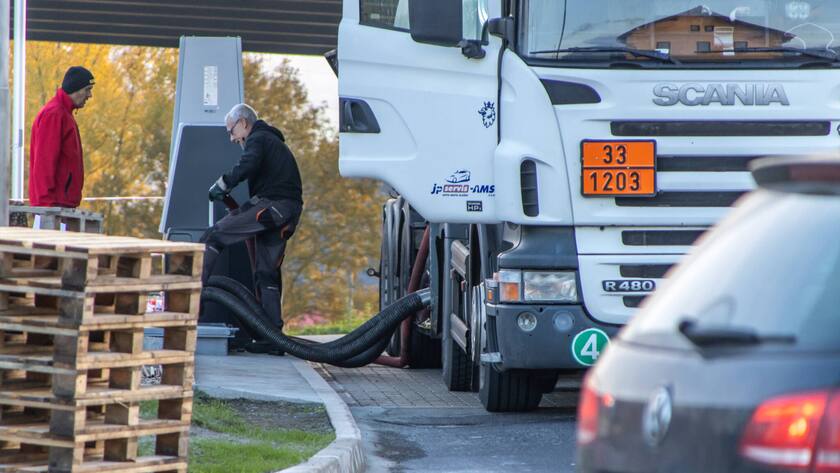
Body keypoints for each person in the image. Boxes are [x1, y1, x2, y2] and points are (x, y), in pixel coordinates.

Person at [201, 103, 303, 332]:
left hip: (274, 207)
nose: (231, 138)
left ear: (244, 123)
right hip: (287, 212)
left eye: (231, 131)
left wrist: (222, 184)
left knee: (213, 236)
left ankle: (192, 302)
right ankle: (272, 335)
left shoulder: (258, 139)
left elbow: (247, 164)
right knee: (266, 273)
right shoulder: (273, 142)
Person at [29, 66, 94, 208]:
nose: (90, 95)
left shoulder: (63, 114)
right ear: (75, 89)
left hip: (60, 205)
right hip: (54, 207)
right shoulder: (55, 114)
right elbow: (44, 162)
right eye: (87, 89)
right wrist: (46, 205)